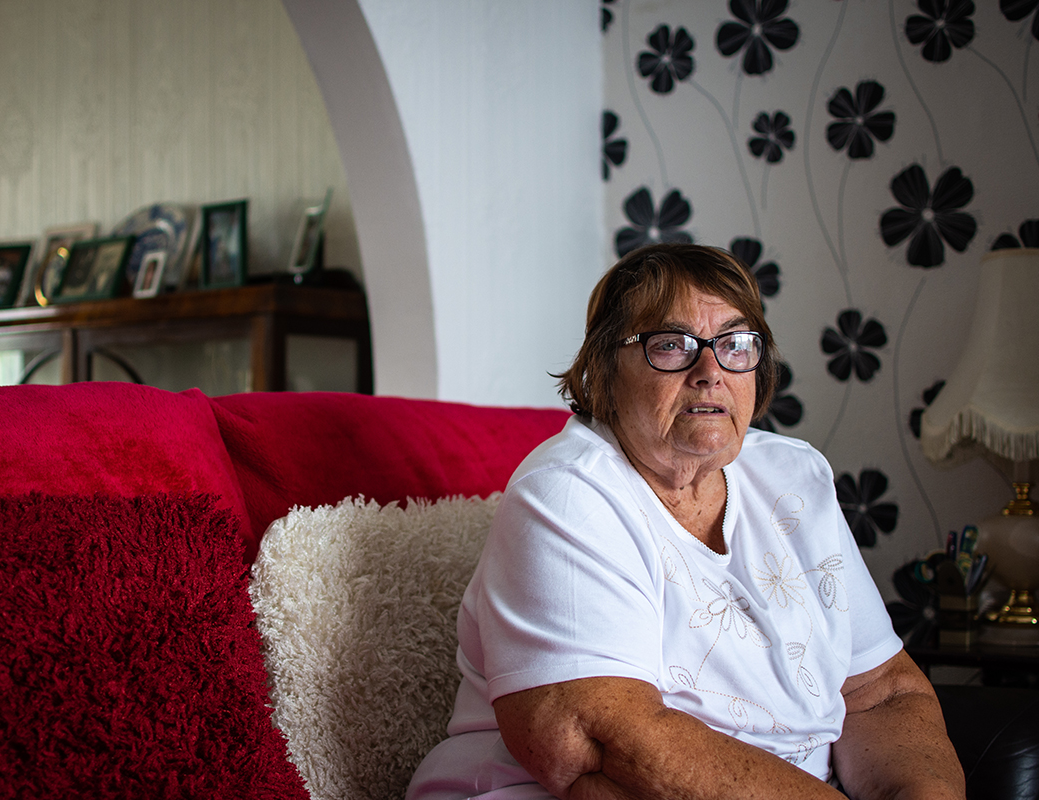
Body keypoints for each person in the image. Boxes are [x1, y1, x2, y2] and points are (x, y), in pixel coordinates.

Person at [407, 243, 963, 800]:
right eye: (671, 345)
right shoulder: (568, 496)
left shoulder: (794, 478)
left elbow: (881, 691)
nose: (710, 371)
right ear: (604, 370)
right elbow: (597, 743)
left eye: (735, 344)